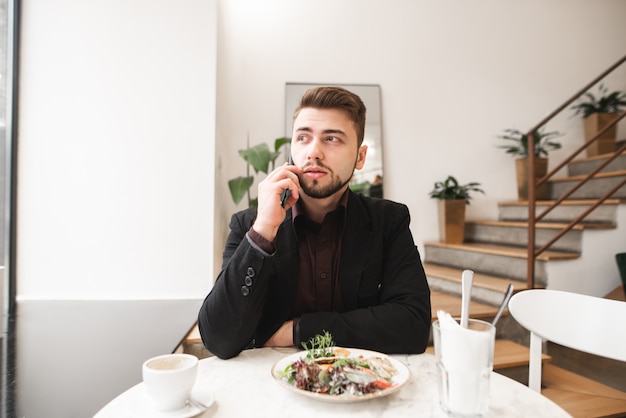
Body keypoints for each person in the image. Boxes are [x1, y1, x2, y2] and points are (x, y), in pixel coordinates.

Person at [198, 86, 431, 359]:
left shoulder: (388, 221)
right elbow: (218, 339)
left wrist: (299, 331)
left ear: (360, 157)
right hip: (271, 388)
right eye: (303, 137)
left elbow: (412, 326)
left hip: (361, 385)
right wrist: (263, 232)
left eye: (332, 138)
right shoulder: (250, 224)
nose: (313, 152)